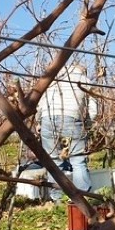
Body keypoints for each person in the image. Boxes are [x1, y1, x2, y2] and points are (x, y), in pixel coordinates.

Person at [36, 64, 98, 201]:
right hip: (72, 118)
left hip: (47, 118)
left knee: (53, 161)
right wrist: (87, 124)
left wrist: (39, 121)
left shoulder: (52, 79)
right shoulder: (85, 80)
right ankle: (83, 198)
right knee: (78, 161)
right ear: (83, 70)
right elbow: (93, 108)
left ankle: (56, 198)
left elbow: (40, 103)